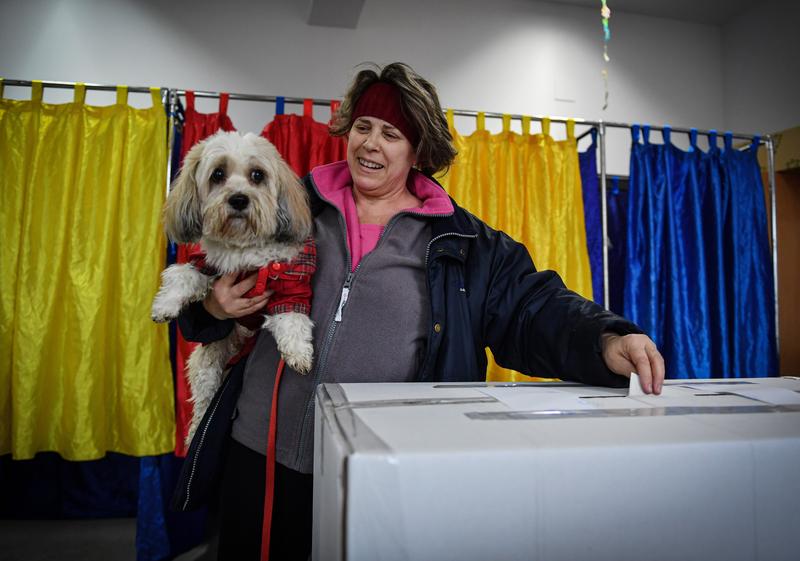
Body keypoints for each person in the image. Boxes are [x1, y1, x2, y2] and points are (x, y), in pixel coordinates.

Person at [178, 62, 665, 560]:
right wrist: (212, 306)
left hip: (376, 463)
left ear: (418, 151)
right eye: (363, 127)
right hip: (260, 453)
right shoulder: (288, 203)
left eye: (391, 134)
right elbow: (204, 283)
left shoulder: (464, 242)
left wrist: (604, 339)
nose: (371, 144)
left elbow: (530, 307)